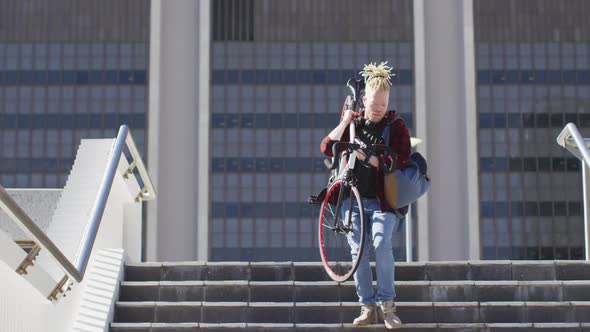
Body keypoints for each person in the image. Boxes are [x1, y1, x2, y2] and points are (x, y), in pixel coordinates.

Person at [319, 62, 412, 329]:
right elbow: (327, 147)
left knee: (382, 243)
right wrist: (346, 121)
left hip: (384, 201)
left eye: (383, 104)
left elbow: (402, 158)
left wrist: (374, 160)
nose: (378, 109)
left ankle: (387, 305)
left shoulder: (396, 126)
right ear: (364, 100)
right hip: (353, 200)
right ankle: (367, 306)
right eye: (374, 104)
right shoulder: (354, 123)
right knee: (358, 250)